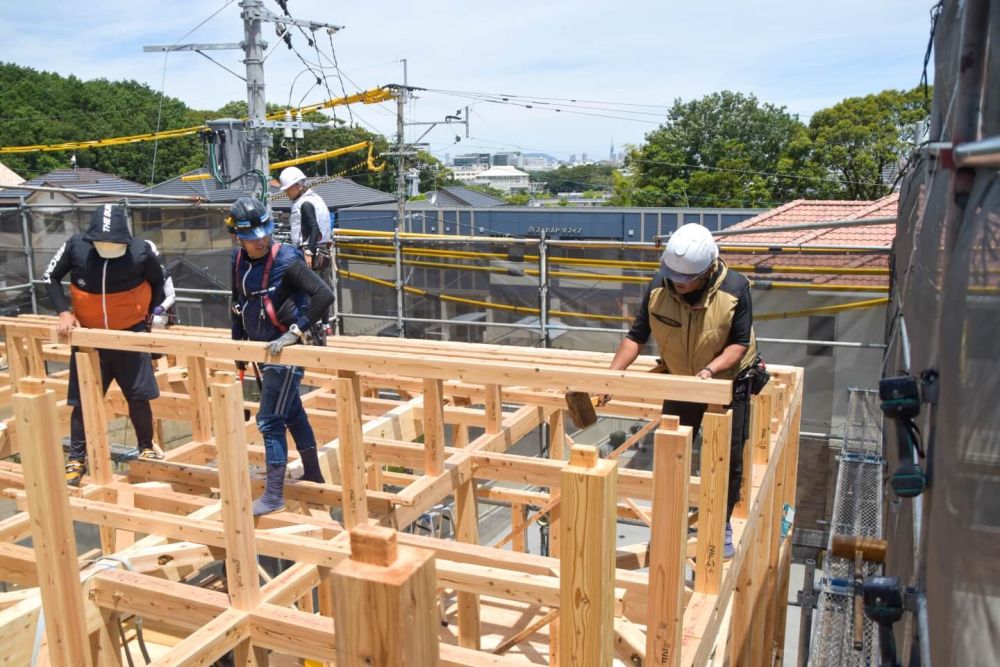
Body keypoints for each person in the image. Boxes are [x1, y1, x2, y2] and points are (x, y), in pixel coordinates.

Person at [603, 223, 766, 559]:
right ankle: (668, 519)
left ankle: (719, 523)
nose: (677, 283)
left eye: (685, 279)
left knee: (726, 457)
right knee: (670, 449)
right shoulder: (658, 287)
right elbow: (636, 337)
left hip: (726, 380)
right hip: (681, 377)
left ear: (707, 271)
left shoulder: (735, 289)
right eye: (672, 276)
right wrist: (611, 378)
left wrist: (710, 370)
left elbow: (738, 344)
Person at [42, 204, 166, 486]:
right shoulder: (76, 247)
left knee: (138, 397)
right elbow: (49, 277)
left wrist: (150, 317)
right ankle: (77, 458)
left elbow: (158, 282)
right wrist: (63, 311)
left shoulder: (141, 251)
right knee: (82, 402)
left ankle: (146, 448)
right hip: (90, 339)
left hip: (130, 337)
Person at [227, 196, 333, 515]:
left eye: (263, 235)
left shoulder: (287, 259)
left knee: (269, 418)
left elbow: (323, 295)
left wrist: (296, 332)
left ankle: (274, 494)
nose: (260, 242)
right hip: (261, 349)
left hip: (285, 352)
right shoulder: (237, 261)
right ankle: (312, 471)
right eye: (252, 238)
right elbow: (236, 304)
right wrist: (238, 350)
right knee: (292, 412)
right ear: (239, 238)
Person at [277, 166, 332, 274]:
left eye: (288, 189)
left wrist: (308, 252)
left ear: (298, 186)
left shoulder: (305, 203)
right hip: (321, 251)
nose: (286, 193)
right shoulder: (316, 199)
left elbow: (315, 228)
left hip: (311, 253)